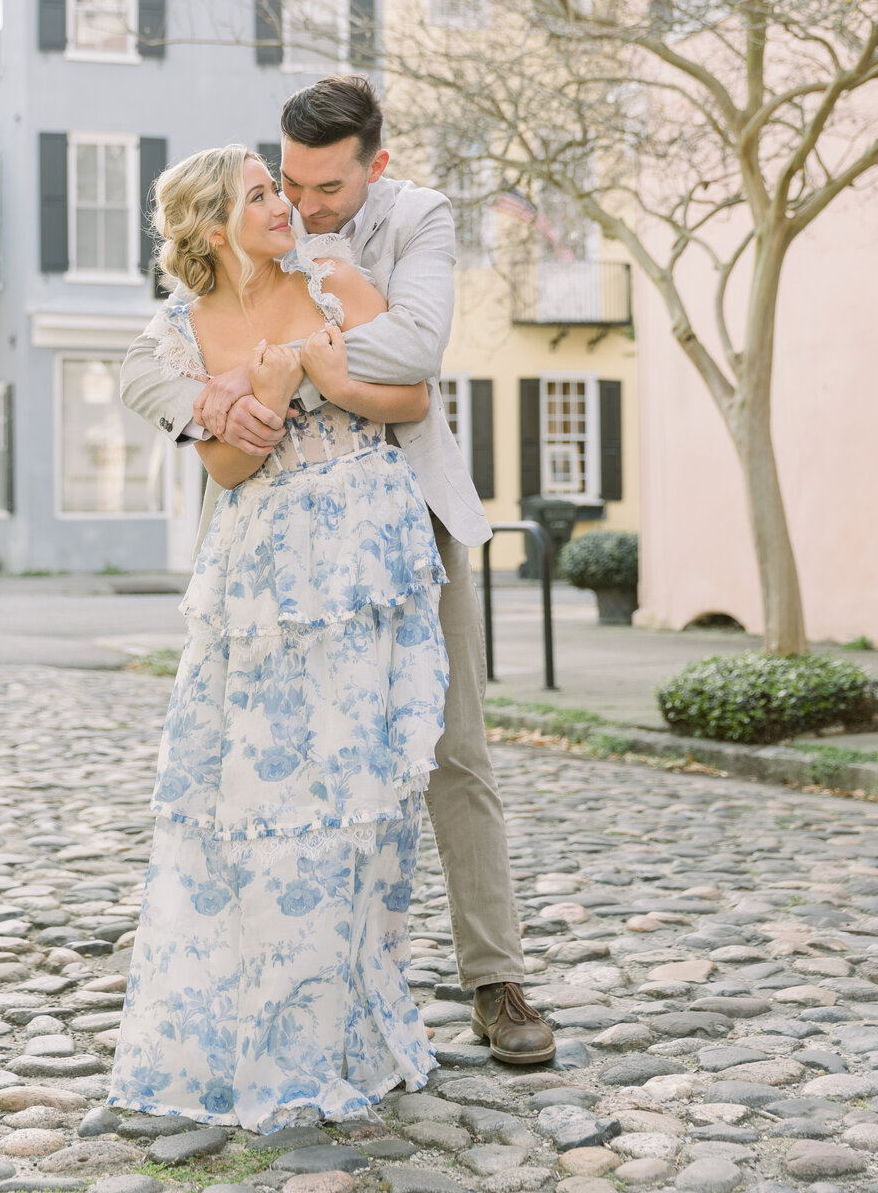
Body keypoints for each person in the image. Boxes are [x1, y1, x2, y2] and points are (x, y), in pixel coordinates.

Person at [121, 77, 554, 1067]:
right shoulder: (211, 297)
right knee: (285, 767)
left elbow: (416, 355)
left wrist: (293, 361)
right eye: (283, 184)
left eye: (320, 189)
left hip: (406, 523)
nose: (303, 207)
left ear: (375, 167)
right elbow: (151, 371)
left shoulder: (416, 223)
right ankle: (293, 980)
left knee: (452, 751)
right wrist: (215, 406)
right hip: (280, 553)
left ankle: (496, 981)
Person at [108, 145, 450, 1131]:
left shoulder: (335, 278)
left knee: (363, 800)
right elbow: (225, 465)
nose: (284, 205)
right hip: (267, 578)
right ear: (216, 224)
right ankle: (261, 1029)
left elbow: (411, 399)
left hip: (371, 562)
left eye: (281, 190)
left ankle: (352, 1027)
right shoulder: (182, 332)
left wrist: (316, 373)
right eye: (262, 194)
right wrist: (256, 391)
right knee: (268, 795)